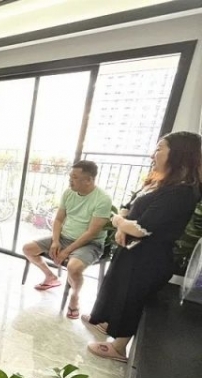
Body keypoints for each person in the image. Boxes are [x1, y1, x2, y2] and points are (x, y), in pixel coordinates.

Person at [83, 131, 202, 362]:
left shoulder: (181, 192)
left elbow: (141, 228)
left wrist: (119, 222)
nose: (152, 155)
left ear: (178, 154)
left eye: (159, 149)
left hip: (149, 259)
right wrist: (121, 226)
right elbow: (127, 207)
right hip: (132, 251)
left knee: (131, 298)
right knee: (117, 289)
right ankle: (107, 323)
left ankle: (119, 348)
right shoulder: (159, 181)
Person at [22, 161, 112, 319]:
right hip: (64, 237)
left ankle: (75, 297)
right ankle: (51, 277)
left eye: (75, 177)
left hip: (90, 243)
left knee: (73, 267)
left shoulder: (103, 199)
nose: (70, 180)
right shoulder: (68, 193)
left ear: (89, 180)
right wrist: (56, 241)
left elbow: (91, 233)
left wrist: (66, 252)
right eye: (70, 176)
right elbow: (58, 220)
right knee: (27, 248)